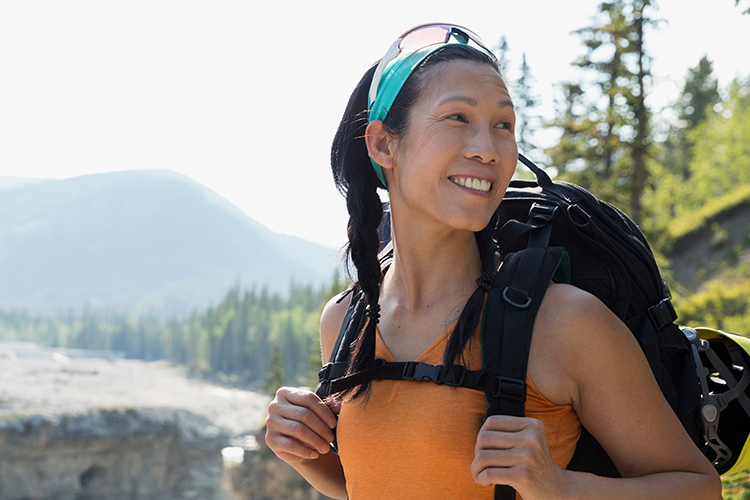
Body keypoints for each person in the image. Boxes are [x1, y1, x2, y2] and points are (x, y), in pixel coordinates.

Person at [264, 23, 721, 499]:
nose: (488, 148)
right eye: (458, 117)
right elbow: (375, 483)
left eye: (503, 125)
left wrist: (560, 488)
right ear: (382, 144)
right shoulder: (344, 321)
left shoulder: (562, 322)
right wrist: (305, 452)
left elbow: (697, 489)